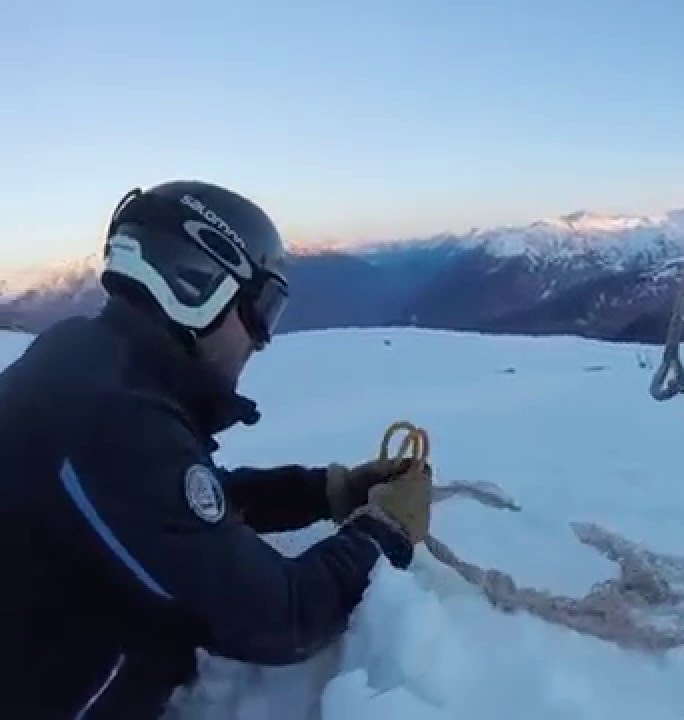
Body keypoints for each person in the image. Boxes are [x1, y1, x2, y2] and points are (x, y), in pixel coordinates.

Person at [0, 180, 430, 718]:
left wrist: (327, 491)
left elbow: (177, 511)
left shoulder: (87, 366)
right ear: (195, 288)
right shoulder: (115, 420)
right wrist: (383, 533)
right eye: (264, 308)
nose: (261, 339)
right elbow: (280, 618)